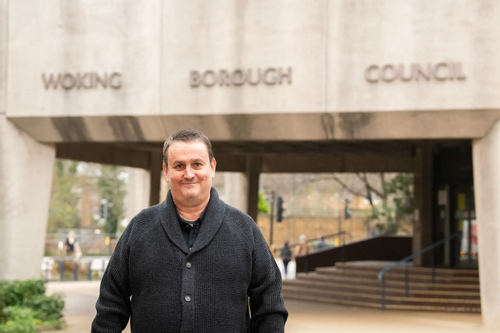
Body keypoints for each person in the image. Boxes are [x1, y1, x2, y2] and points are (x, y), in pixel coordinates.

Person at [92, 129, 287, 333]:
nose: (189, 173)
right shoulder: (140, 228)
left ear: (212, 167)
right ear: (166, 172)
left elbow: (270, 308)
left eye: (197, 164)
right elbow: (110, 306)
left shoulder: (244, 229)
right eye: (179, 166)